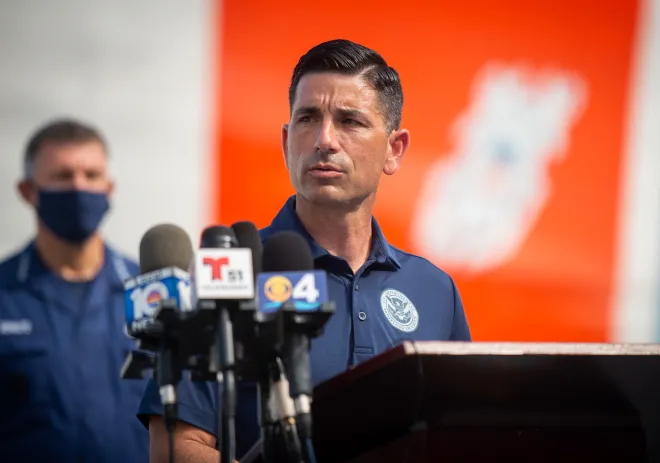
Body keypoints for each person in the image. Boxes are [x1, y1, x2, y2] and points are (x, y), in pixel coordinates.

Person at [138, 39, 472, 462]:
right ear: (285, 141)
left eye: (350, 121)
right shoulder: (226, 272)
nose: (325, 140)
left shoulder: (434, 289)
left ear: (394, 149)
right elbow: (174, 447)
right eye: (308, 119)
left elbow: (459, 436)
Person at [0, 119, 149, 462]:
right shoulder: (5, 293)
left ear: (109, 188)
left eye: (92, 176)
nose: (79, 187)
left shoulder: (150, 291)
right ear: (28, 191)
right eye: (63, 176)